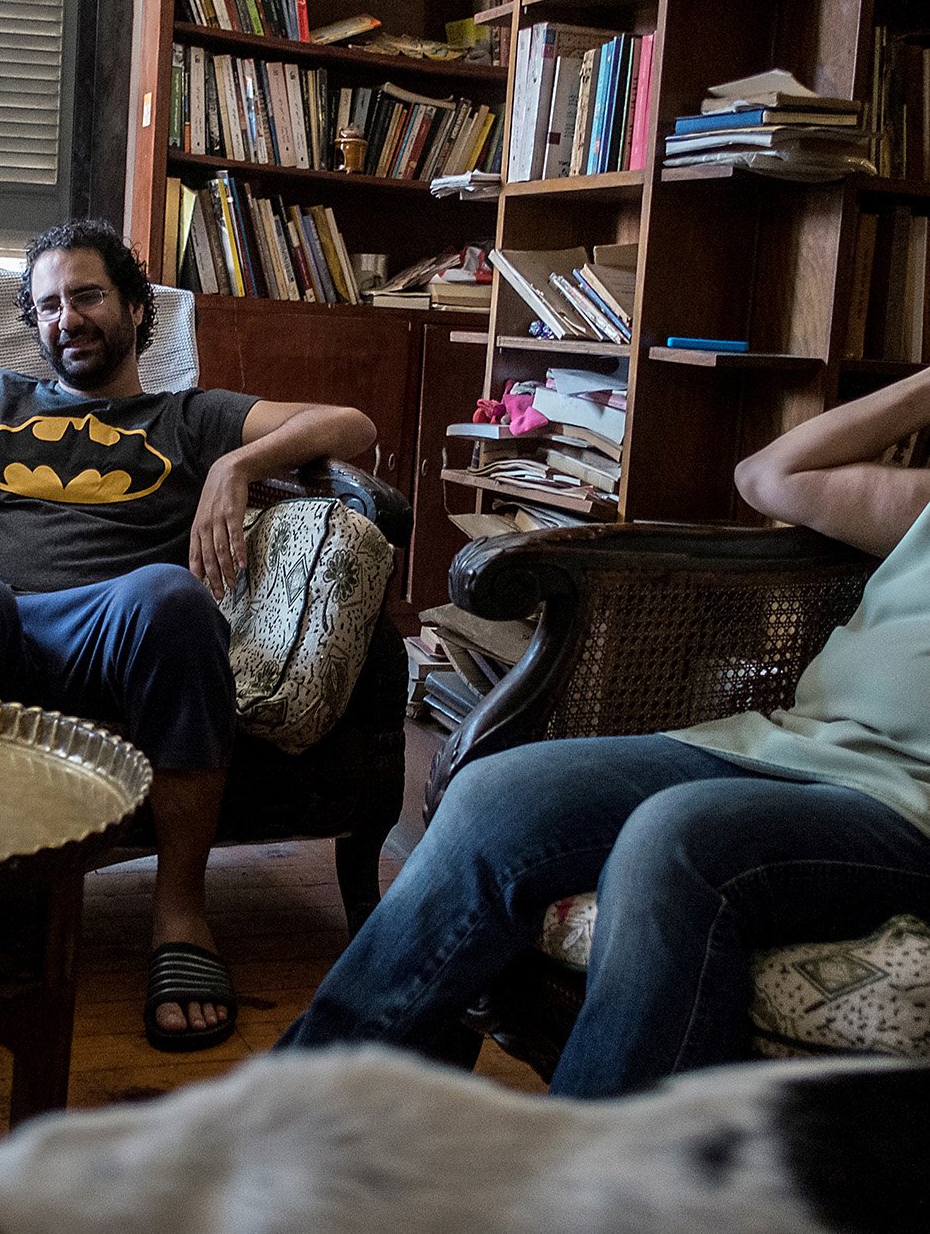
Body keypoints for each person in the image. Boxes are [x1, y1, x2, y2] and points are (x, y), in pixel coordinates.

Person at [277, 367, 930, 1096]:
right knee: (499, 791)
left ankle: (587, 1186)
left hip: (903, 807)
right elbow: (768, 474)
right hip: (785, 743)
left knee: (675, 837)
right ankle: (303, 1104)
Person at [0, 218, 376, 1051]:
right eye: (45, 306)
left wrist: (235, 464)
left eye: (85, 296)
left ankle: (179, 916)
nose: (64, 319)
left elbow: (351, 423)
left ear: (137, 309)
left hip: (108, 627)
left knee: (170, 593)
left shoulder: (189, 416)